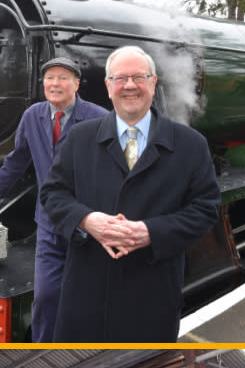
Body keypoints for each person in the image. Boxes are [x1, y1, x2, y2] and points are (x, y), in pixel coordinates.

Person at [41, 45, 220, 343]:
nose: (130, 86)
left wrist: (152, 232)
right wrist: (87, 220)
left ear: (152, 83)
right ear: (108, 86)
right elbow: (53, 193)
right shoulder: (80, 139)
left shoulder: (191, 145)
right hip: (86, 295)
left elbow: (205, 208)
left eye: (139, 77)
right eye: (120, 78)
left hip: (152, 296)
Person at [0, 57, 108, 342]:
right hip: (49, 223)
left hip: (87, 224)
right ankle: (42, 347)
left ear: (76, 84)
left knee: (87, 298)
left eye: (63, 78)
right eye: (49, 78)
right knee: (46, 297)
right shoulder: (33, 115)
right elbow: (18, 158)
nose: (55, 84)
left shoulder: (99, 118)